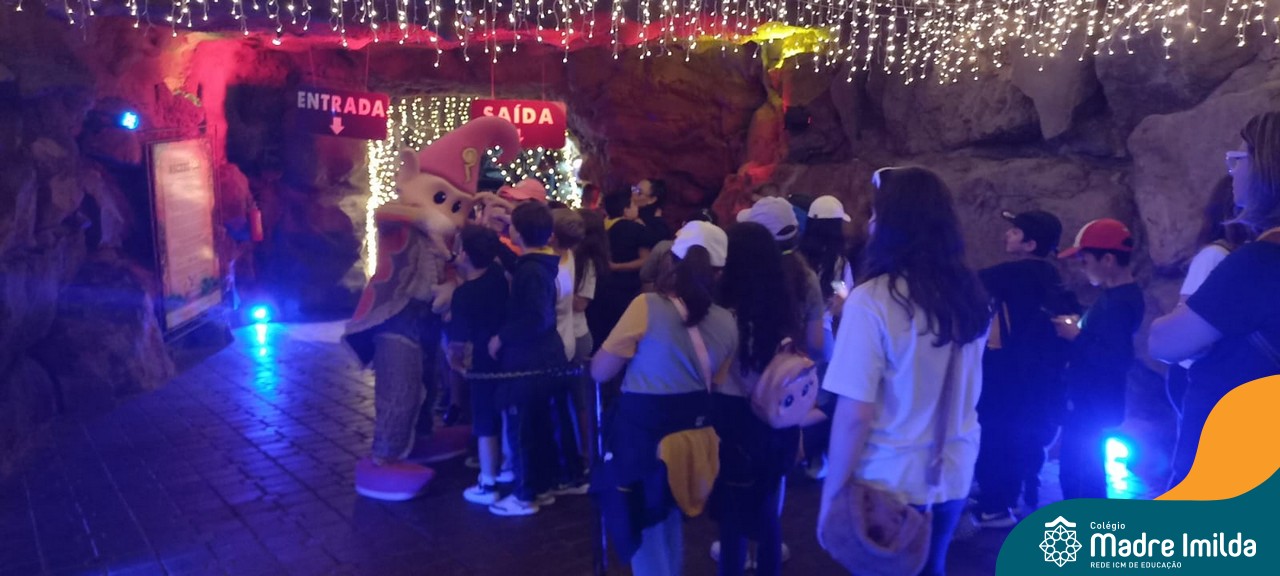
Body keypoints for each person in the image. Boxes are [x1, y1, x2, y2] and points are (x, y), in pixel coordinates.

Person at [819, 166, 991, 576]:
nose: (870, 223)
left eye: (877, 214)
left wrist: (832, 493)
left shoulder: (873, 300)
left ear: (894, 225)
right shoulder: (972, 297)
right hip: (952, 470)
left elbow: (854, 414)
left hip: (888, 479)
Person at [591, 221, 737, 576]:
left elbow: (600, 371)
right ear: (719, 273)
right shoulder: (727, 321)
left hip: (644, 440)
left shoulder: (646, 306)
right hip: (695, 439)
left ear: (671, 262)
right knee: (669, 516)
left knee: (644, 527)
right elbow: (716, 382)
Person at [1151, 111, 1280, 488]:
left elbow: (1165, 343)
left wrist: (1175, 316)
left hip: (1233, 462)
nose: (1233, 172)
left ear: (1267, 171)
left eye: (1239, 159)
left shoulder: (1259, 262)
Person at [710, 222, 821, 576]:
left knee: (733, 511)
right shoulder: (782, 304)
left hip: (735, 416)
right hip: (777, 416)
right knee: (767, 507)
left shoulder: (724, 312)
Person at [973, 209, 1076, 527]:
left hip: (1006, 371)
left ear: (1030, 244)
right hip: (1038, 374)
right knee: (1024, 437)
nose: (1007, 234)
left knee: (994, 434)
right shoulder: (1052, 276)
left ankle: (995, 506)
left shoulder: (1013, 274)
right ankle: (1018, 495)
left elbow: (966, 283)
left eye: (1015, 232)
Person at [1052, 218, 1144, 500]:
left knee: (1081, 472)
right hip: (1092, 399)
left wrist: (1075, 335)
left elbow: (1116, 358)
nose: (1082, 267)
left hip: (1092, 402)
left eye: (1085, 260)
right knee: (1082, 468)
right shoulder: (1117, 296)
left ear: (1107, 260)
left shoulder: (1119, 302)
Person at [487, 202, 567, 516]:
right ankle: (541, 486)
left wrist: (501, 337)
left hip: (528, 358)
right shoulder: (539, 262)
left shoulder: (532, 270)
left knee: (521, 426)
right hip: (545, 355)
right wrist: (496, 238)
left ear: (518, 232)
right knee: (539, 424)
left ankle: (523, 495)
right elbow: (519, 264)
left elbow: (536, 318)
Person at [448, 225, 513, 505]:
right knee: (507, 415)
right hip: (507, 358)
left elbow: (457, 343)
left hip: (482, 363)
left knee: (485, 422)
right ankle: (509, 469)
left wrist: (456, 364)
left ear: (464, 254)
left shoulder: (464, 295)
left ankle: (487, 482)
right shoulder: (498, 275)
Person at [549, 209, 589, 495]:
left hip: (557, 344)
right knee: (565, 407)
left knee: (560, 411)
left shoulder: (554, 268)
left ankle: (570, 472)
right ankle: (573, 469)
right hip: (566, 340)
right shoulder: (569, 257)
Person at [588, 191, 654, 347]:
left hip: (598, 286)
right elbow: (645, 260)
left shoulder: (598, 226)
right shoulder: (637, 229)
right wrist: (618, 267)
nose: (637, 208)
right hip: (626, 287)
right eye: (633, 204)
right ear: (625, 210)